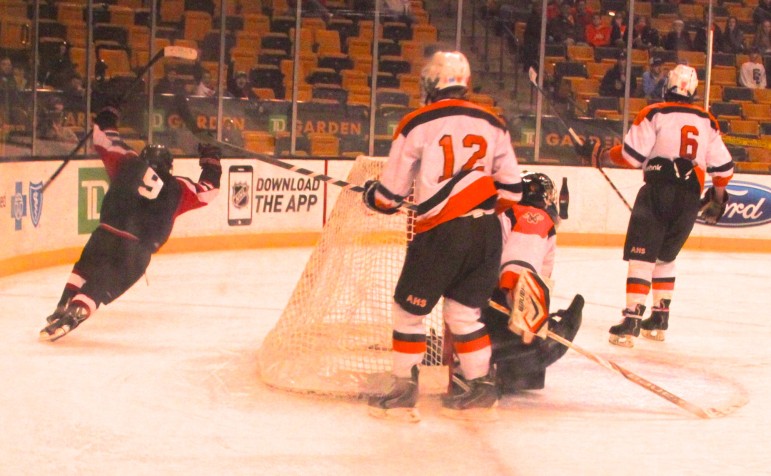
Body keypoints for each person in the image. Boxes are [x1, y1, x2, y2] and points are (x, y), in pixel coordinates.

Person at [364, 51, 522, 421]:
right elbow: (513, 191)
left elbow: (389, 198)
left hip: (441, 233)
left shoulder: (418, 122)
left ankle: (404, 390)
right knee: (464, 314)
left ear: (432, 83)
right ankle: (481, 389)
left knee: (408, 311)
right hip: (487, 233)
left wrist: (374, 195)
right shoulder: (493, 123)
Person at [575, 64, 734, 348]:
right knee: (666, 256)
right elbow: (723, 168)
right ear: (695, 91)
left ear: (666, 86)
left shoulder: (655, 113)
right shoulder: (708, 120)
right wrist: (719, 198)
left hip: (659, 191)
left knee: (642, 256)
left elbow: (631, 156)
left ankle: (632, 319)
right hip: (689, 196)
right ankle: (660, 317)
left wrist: (600, 154)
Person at [39, 103, 222, 342]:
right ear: (169, 166)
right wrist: (211, 160)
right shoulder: (178, 187)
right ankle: (76, 313)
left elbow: (105, 140)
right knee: (101, 285)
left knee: (84, 269)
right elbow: (209, 191)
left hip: (103, 235)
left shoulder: (127, 163)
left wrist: (107, 114)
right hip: (135, 250)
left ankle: (63, 304)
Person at [480, 172, 584, 394]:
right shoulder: (542, 221)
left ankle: (483, 365)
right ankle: (519, 372)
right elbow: (535, 267)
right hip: (521, 291)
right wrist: (532, 303)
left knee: (486, 326)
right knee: (525, 335)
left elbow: (494, 249)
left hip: (493, 287)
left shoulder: (506, 213)